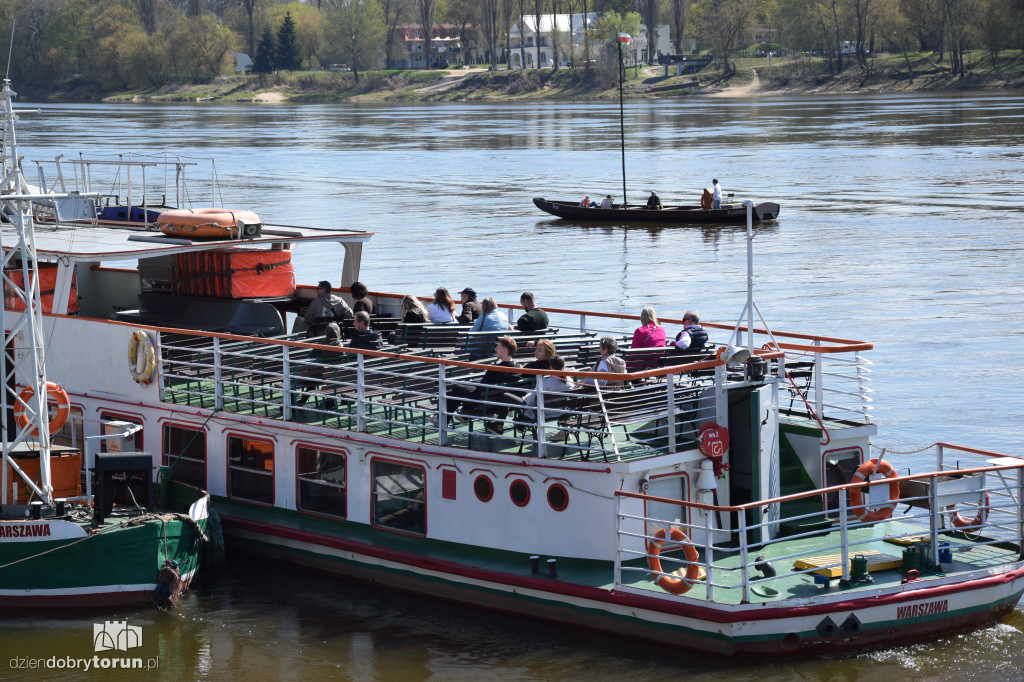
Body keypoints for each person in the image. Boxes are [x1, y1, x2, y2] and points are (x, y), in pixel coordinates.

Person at [436, 337, 523, 434]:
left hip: (483, 401)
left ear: (504, 350)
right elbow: (484, 382)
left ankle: (444, 420)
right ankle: (461, 415)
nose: (495, 349)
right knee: (464, 385)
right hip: (496, 400)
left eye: (498, 347)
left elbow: (483, 384)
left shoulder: (495, 369)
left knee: (457, 388)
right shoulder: (518, 367)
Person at [520, 355, 575, 441]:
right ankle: (520, 424)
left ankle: (519, 424)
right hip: (562, 411)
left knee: (508, 397)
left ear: (551, 367)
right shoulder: (570, 381)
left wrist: (525, 397)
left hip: (546, 412)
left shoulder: (545, 382)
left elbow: (530, 401)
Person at [630, 306, 666, 371]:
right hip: (660, 363)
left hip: (646, 364)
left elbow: (633, 351)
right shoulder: (662, 329)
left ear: (642, 317)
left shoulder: (640, 331)